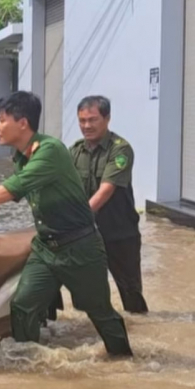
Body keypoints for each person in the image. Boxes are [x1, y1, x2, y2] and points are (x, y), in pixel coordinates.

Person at [0, 91, 133, 357]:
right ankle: (30, 361)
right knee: (22, 305)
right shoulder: (22, 156)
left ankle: (124, 361)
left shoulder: (51, 150)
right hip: (46, 248)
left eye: (1, 120)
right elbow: (16, 193)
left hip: (80, 248)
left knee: (99, 312)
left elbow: (14, 188)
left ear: (22, 123)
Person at [70, 96, 148, 314]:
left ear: (107, 119)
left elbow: (106, 190)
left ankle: (139, 331)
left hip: (120, 235)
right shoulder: (74, 152)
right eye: (82, 121)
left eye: (92, 120)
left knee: (131, 295)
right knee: (85, 295)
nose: (86, 126)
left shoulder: (120, 150)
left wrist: (76, 219)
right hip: (87, 236)